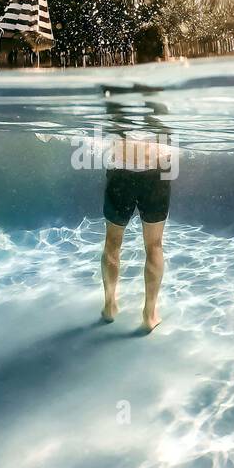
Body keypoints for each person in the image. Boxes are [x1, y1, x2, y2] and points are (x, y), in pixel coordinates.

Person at [96, 99, 177, 333]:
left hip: (120, 171)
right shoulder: (160, 93)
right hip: (157, 172)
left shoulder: (116, 93)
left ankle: (110, 305)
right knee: (154, 246)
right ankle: (149, 314)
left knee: (112, 243)